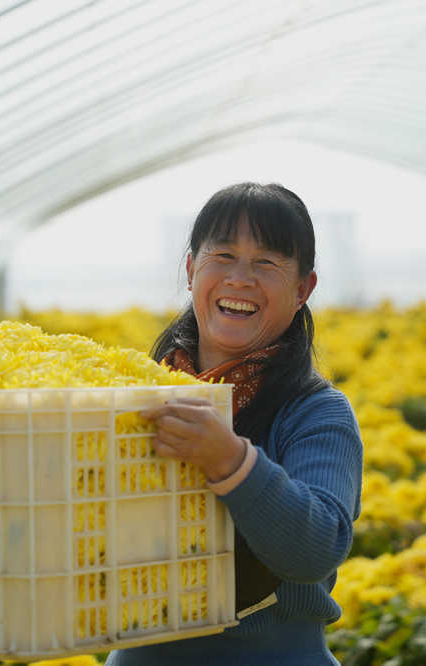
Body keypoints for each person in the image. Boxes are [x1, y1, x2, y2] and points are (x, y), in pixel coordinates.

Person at [105, 182, 363, 665]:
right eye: (222, 255)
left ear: (303, 289)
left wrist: (231, 460)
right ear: (190, 270)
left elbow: (316, 551)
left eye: (266, 262)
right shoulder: (132, 393)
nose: (240, 278)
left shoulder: (316, 412)